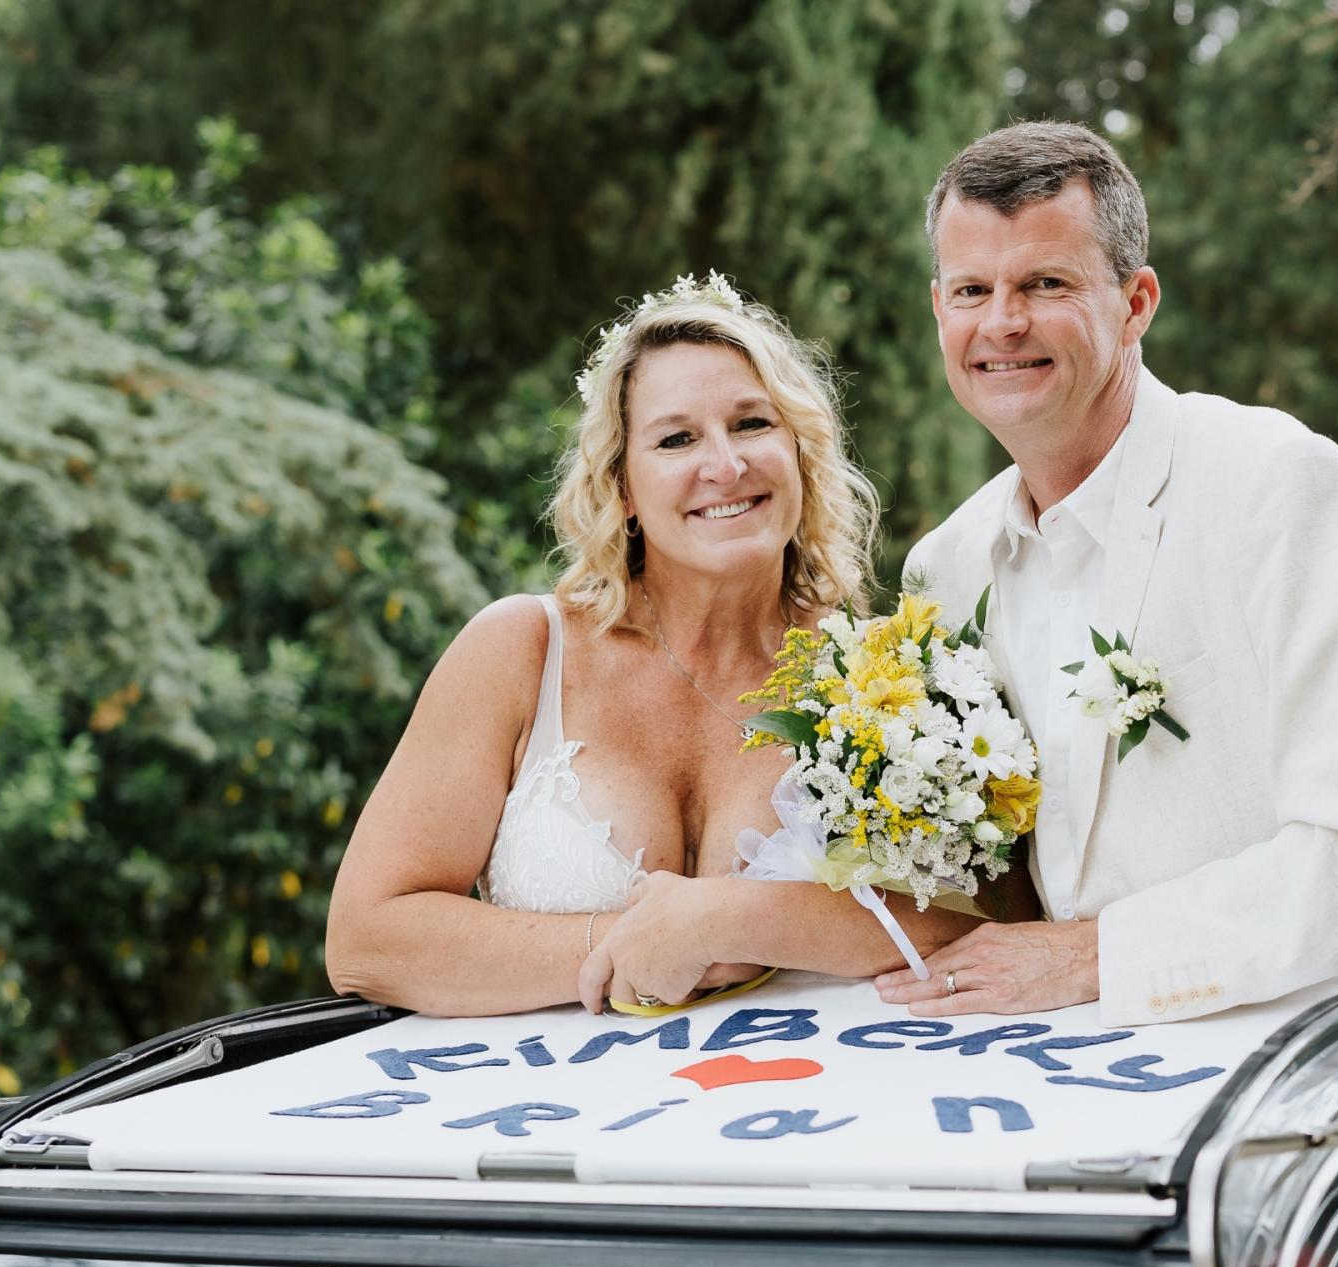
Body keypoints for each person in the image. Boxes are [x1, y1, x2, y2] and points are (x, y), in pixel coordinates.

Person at [875, 121, 1338, 1027]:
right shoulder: (946, 568)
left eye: (1046, 284)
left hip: (1324, 1064)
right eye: (973, 290)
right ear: (939, 310)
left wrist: (1098, 957)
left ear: (1137, 303)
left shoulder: (1275, 484)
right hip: (1074, 1081)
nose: (1002, 322)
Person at [325, 274, 987, 1017]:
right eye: (677, 439)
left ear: (800, 452)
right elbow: (367, 941)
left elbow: (995, 920)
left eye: (752, 424)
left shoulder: (883, 680)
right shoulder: (522, 652)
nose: (725, 466)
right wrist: (631, 943)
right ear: (623, 488)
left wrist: (732, 923)